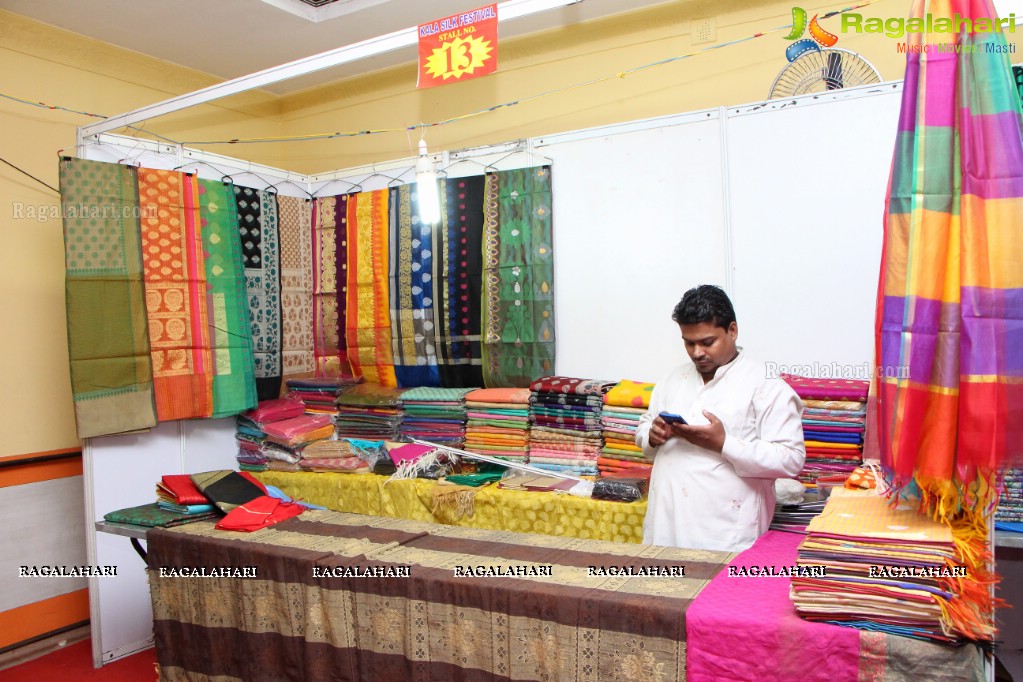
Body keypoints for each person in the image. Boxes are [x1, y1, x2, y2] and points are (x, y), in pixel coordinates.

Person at [636, 285, 805, 552]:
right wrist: (651, 435)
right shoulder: (672, 378)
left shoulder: (766, 385)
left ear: (732, 331)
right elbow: (645, 424)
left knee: (717, 594)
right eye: (688, 343)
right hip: (665, 526)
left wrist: (724, 444)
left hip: (724, 535)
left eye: (707, 342)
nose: (696, 352)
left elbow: (791, 458)